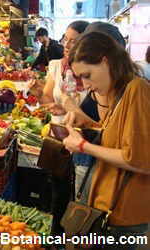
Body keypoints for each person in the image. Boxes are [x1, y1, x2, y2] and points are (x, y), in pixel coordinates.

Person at [63, 31, 150, 250]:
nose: (86, 85)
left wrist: (84, 146)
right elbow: (113, 138)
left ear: (105, 60)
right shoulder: (120, 94)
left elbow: (138, 159)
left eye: (87, 75)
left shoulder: (136, 90)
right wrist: (83, 122)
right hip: (109, 209)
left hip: (123, 215)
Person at [38, 21, 89, 250]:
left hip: (84, 139)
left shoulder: (92, 69)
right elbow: (47, 97)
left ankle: (77, 239)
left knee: (81, 195)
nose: (67, 44)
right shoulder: (56, 65)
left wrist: (72, 110)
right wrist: (51, 105)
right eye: (65, 39)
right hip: (58, 138)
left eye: (73, 40)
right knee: (58, 191)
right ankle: (56, 239)